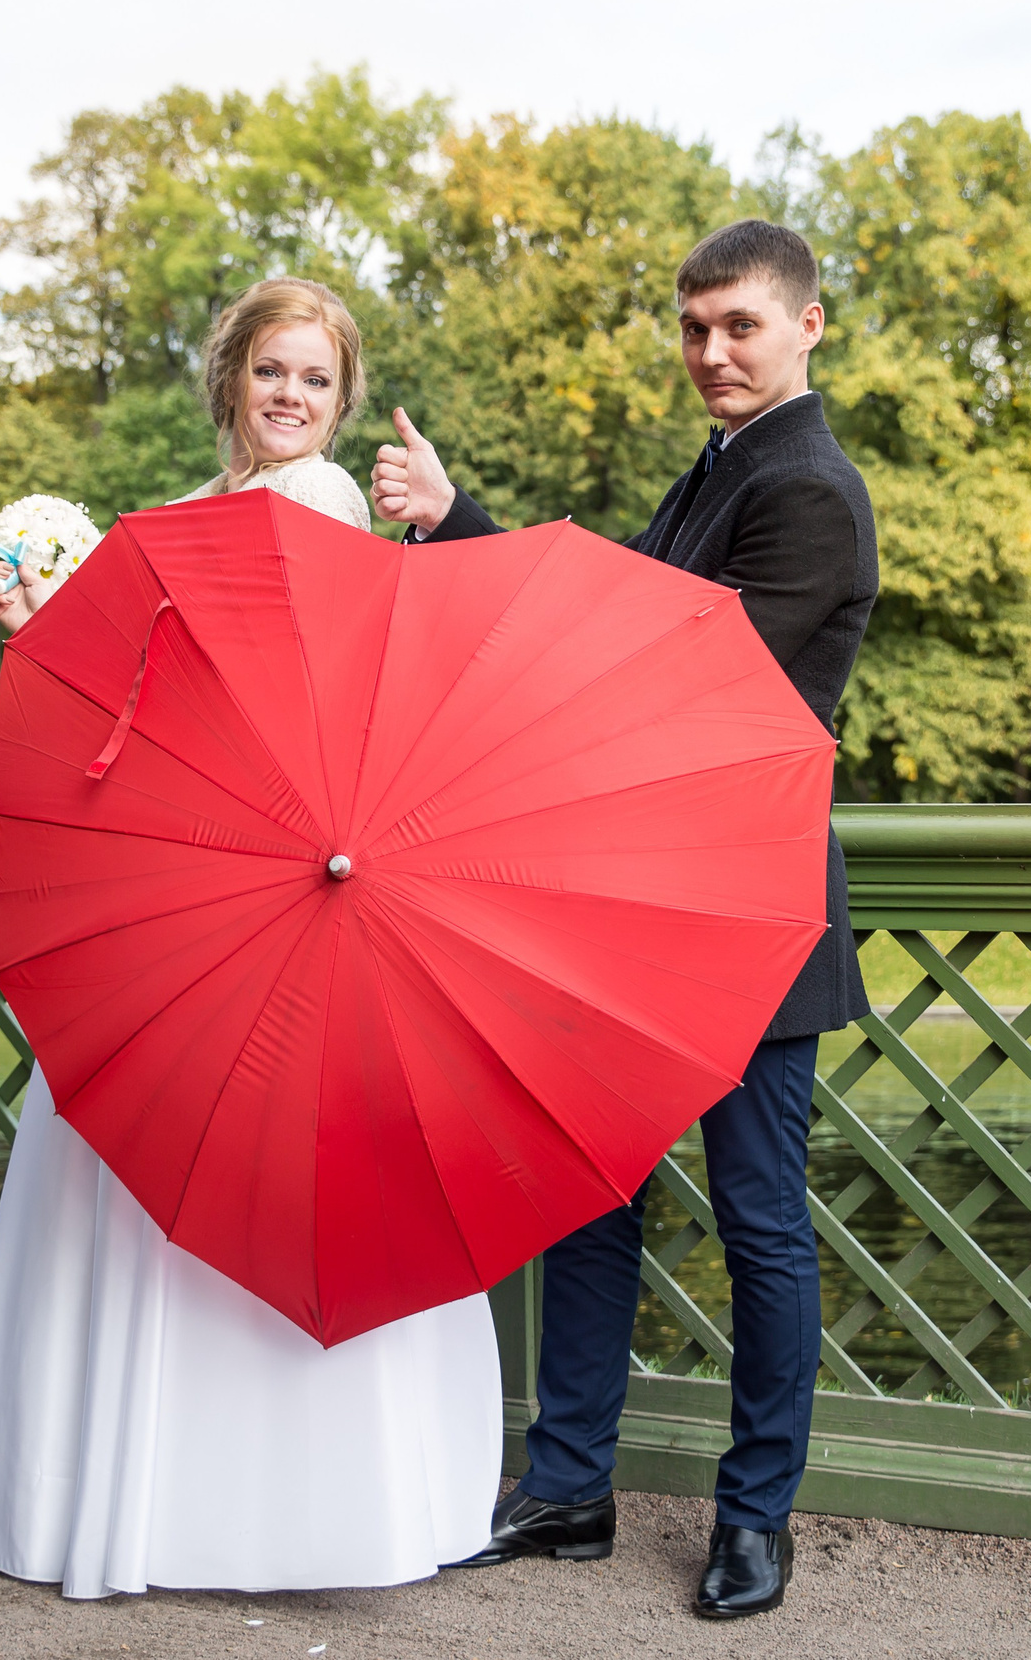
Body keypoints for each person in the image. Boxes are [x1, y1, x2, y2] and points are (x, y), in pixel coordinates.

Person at [0, 277, 502, 1600]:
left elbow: (329, 708)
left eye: (315, 377)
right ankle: (189, 1501)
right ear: (231, 381)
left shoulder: (331, 511)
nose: (290, 395)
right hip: (180, 878)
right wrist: (39, 637)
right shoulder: (172, 525)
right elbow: (114, 729)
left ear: (343, 399)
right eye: (271, 371)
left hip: (278, 879)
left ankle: (193, 1502)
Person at [372, 219, 879, 1621]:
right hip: (633, 909)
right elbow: (614, 630)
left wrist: (470, 526)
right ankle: (572, 1486)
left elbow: (648, 673)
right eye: (695, 329)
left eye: (742, 329)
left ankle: (755, 1520)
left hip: (751, 918)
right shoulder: (719, 471)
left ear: (808, 327)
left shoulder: (811, 493)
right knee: (587, 1197)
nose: (713, 355)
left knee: (761, 1220)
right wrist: (458, 526)